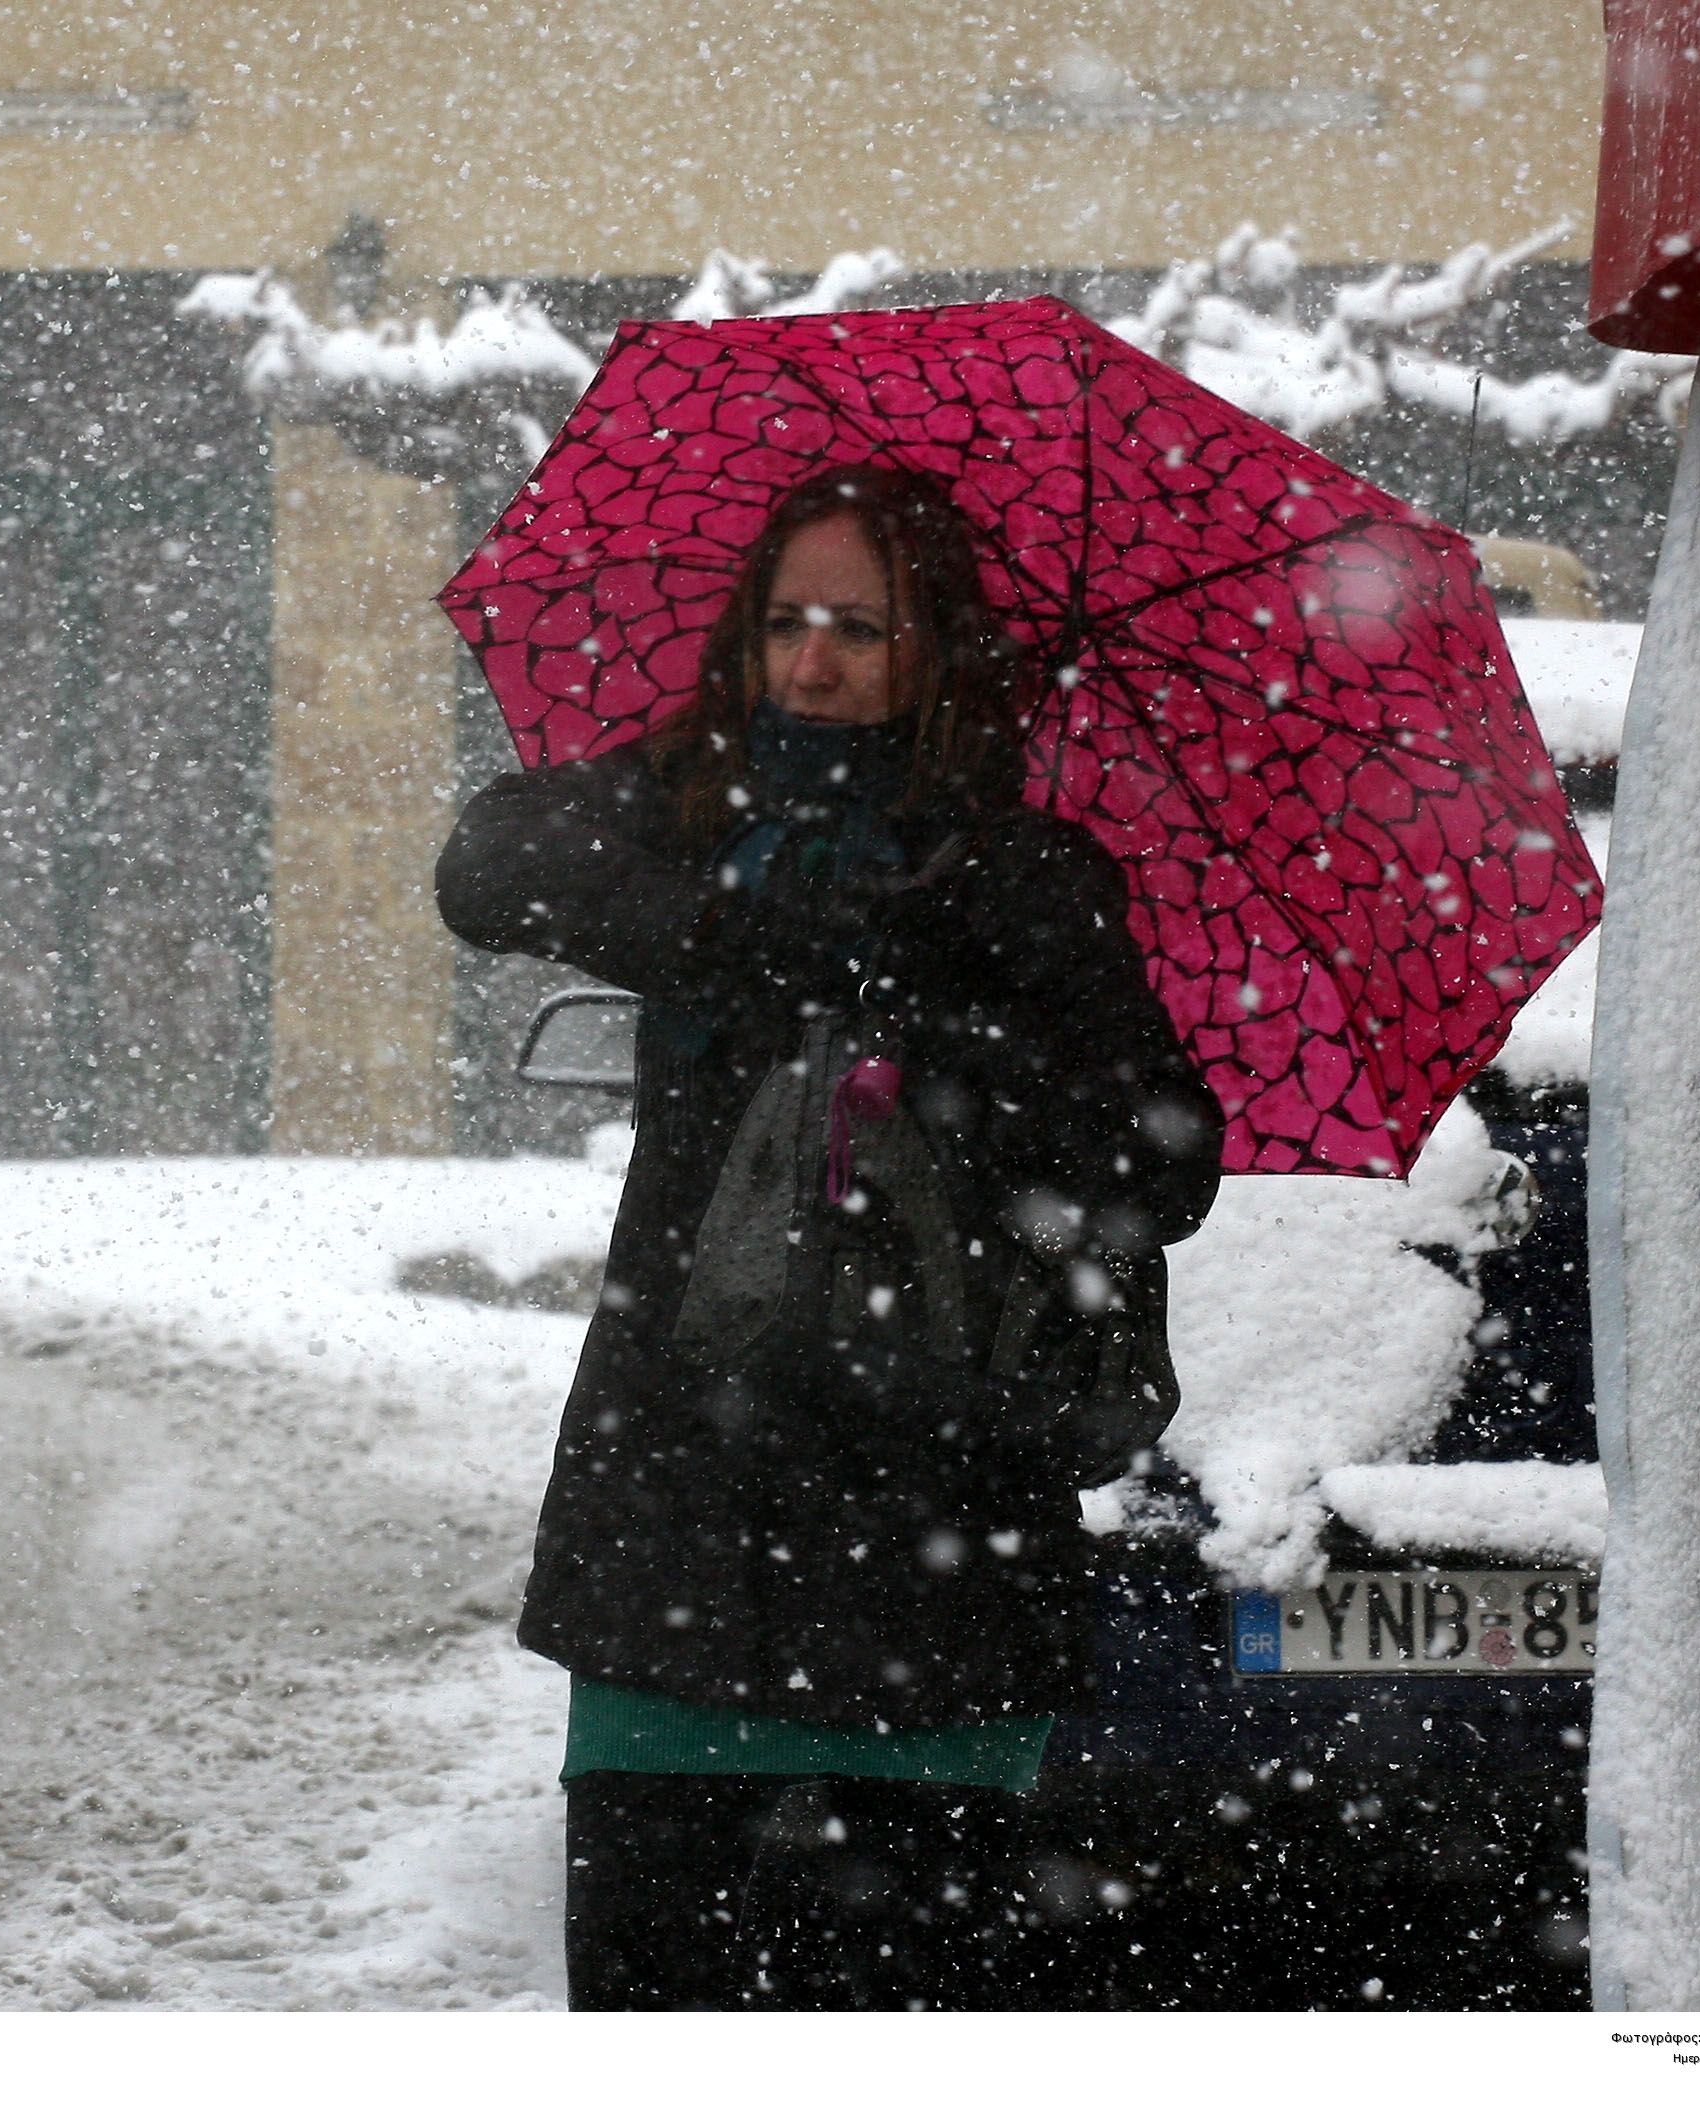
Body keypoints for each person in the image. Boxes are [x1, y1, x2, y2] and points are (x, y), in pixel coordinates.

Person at [435, 464, 1225, 2009]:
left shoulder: (1029, 883)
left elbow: (1166, 1165)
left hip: (941, 1538)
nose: (811, 663)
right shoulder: (681, 810)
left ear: (935, 653)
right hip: (682, 1518)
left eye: (859, 630)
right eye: (786, 620)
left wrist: (963, 1037)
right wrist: (734, 928)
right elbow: (489, 865)